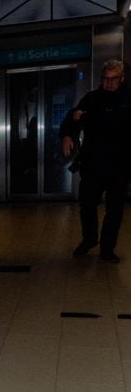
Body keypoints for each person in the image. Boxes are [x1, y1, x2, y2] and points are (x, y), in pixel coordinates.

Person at [61, 59, 131, 263]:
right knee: (87, 204)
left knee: (115, 209)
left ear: (122, 78)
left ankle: (107, 249)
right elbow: (73, 117)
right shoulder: (92, 98)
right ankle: (89, 239)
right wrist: (67, 134)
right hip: (93, 163)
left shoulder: (129, 99)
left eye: (113, 79)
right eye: (105, 79)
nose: (109, 83)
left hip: (120, 164)